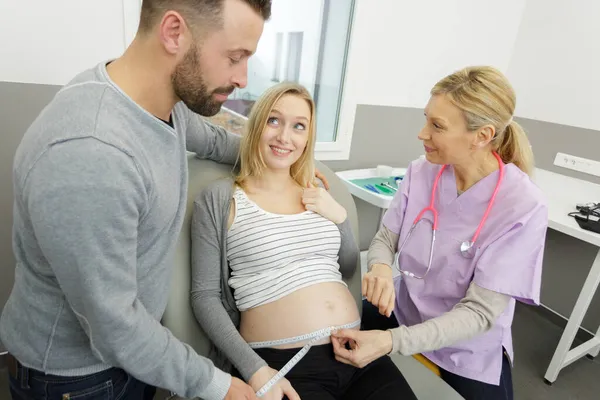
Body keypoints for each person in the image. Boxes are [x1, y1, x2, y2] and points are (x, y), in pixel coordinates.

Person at [0, 1, 333, 399]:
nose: (243, 77)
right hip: (79, 379)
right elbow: (114, 327)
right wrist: (224, 387)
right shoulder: (92, 153)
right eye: (234, 57)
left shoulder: (162, 107)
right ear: (174, 32)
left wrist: (276, 156)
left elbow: (214, 140)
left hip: (134, 358)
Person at [331, 66, 549, 400]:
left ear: (481, 135)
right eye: (426, 119)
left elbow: (478, 314)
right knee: (326, 336)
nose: (422, 134)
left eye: (437, 126)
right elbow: (385, 239)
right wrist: (380, 268)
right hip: (401, 311)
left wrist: (392, 342)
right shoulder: (421, 171)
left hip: (465, 347)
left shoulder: (523, 207)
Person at [190, 82, 418, 400]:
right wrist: (255, 370)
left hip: (358, 350)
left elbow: (349, 268)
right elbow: (204, 297)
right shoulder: (220, 199)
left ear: (308, 137)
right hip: (285, 366)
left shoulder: (318, 193)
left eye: (299, 126)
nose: (285, 137)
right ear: (256, 125)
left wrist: (339, 218)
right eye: (274, 120)